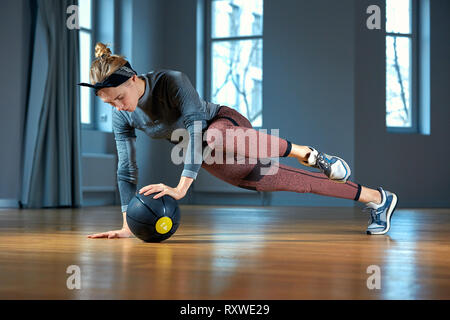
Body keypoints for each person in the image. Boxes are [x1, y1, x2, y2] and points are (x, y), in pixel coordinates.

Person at [79, 42, 398, 239]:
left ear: (133, 79)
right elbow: (126, 169)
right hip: (206, 155)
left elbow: (195, 127)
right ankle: (378, 198)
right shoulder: (122, 116)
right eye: (109, 104)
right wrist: (127, 224)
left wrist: (181, 187)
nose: (117, 107)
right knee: (296, 183)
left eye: (119, 97)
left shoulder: (171, 80)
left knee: (214, 135)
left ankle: (305, 152)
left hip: (223, 125)